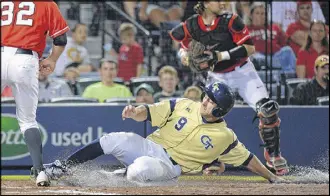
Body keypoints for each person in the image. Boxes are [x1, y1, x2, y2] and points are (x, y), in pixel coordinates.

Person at [43, 82, 286, 184]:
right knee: (114, 139)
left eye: (211, 100)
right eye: (206, 95)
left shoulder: (225, 136)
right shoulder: (183, 104)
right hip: (150, 146)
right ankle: (63, 166)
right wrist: (133, 111)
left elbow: (248, 159)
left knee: (140, 169)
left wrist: (272, 177)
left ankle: (116, 176)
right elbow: (147, 112)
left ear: (220, 109)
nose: (205, 99)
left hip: (170, 167)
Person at [169, 1, 289, 175]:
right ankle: (208, 160)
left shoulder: (231, 20)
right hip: (217, 76)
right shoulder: (192, 24)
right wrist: (185, 55)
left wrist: (220, 55)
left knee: (267, 110)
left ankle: (273, 155)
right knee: (204, 116)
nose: (223, 2)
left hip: (243, 72)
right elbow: (182, 44)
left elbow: (249, 48)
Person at [1, 1, 69, 186]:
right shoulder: (46, 3)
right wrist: (53, 59)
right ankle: (39, 172)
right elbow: (60, 38)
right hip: (25, 58)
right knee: (27, 120)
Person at [247, 2, 296, 74]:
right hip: (259, 57)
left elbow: (286, 43)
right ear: (251, 16)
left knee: (288, 50)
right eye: (257, 13)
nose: (261, 16)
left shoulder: (274, 27)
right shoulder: (246, 29)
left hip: (276, 56)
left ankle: (290, 76)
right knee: (256, 58)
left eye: (263, 13)